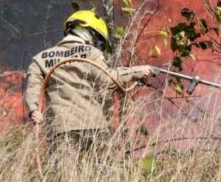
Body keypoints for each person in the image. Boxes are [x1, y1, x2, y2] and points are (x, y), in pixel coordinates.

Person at [23, 10, 155, 152]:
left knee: (66, 174)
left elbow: (33, 88)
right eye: (97, 39)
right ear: (90, 32)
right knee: (104, 173)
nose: (96, 43)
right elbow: (107, 80)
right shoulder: (91, 52)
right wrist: (138, 71)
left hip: (62, 129)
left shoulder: (40, 58)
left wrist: (34, 110)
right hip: (95, 126)